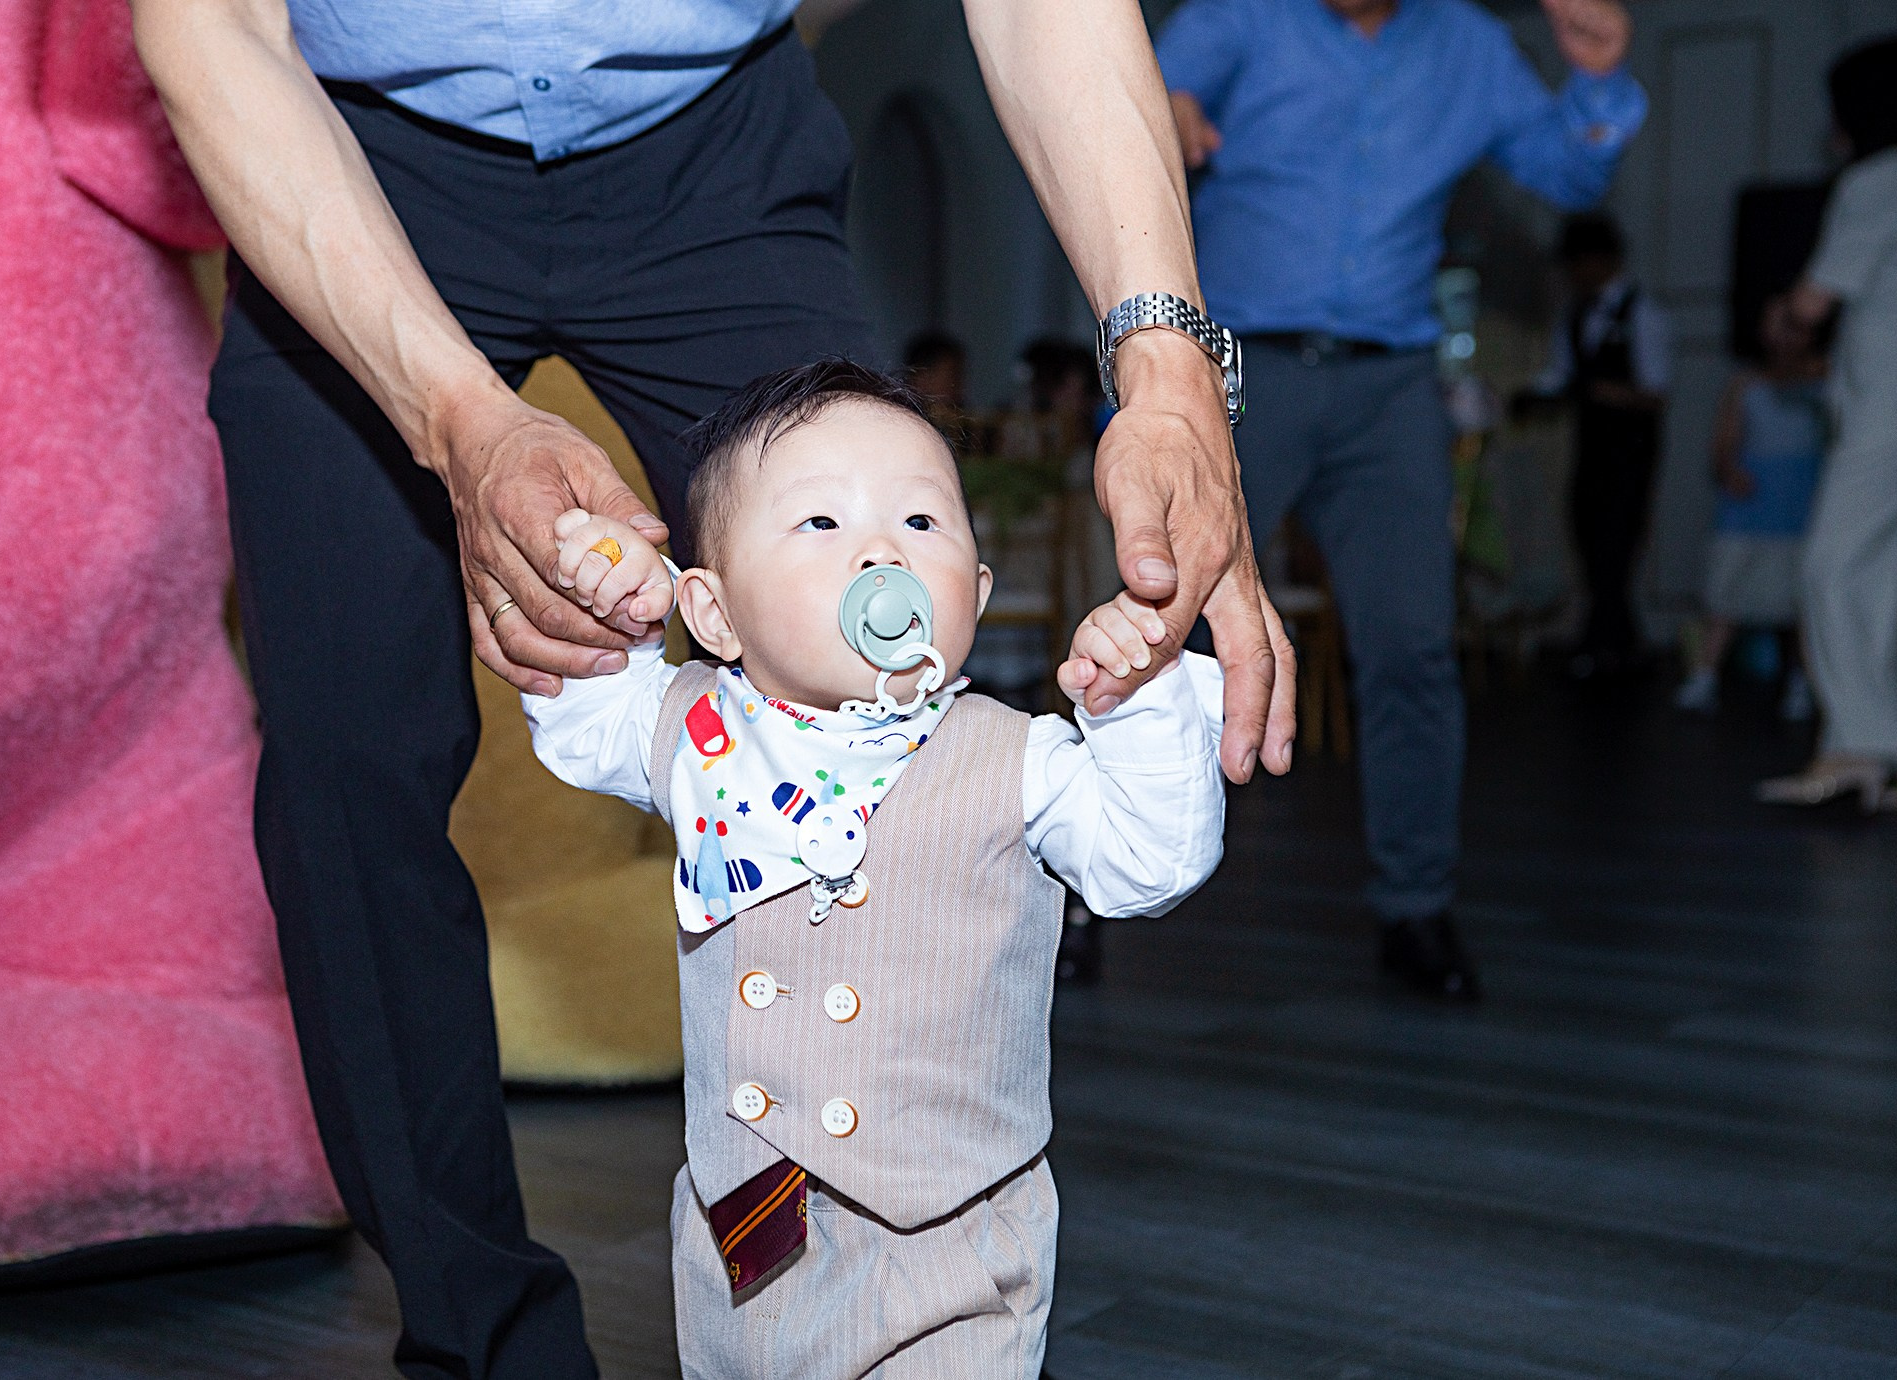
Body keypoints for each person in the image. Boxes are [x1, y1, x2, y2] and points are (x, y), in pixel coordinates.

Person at [129, 1, 1296, 1373]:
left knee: (880, 668)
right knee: (347, 766)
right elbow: (207, 29)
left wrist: (1164, 373)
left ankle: (894, 1307)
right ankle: (482, 1340)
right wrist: (458, 423)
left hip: (712, 155)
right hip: (338, 154)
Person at [522, 360, 1226, 1376]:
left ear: (975, 594)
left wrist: (1142, 706)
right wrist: (616, 607)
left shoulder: (1015, 757)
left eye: (924, 523)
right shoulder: (690, 728)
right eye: (820, 525)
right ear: (713, 615)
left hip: (949, 1239)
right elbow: (579, 715)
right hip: (746, 1232)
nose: (882, 551)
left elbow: (1148, 863)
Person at [1157, 0, 1644, 1000]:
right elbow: (1138, 104)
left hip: (1392, 388)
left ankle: (1417, 909)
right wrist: (1163, 112)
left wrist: (1594, 84)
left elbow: (1565, 170)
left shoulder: (1467, 46)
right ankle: (1081, 892)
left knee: (1414, 649)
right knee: (1169, 631)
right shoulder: (1238, 16)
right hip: (1241, 371)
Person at [1758, 35, 1897, 813]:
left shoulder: (1879, 178)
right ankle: (1885, 753)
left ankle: (1855, 746)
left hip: (1889, 413)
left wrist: (1780, 318)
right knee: (1882, 580)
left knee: (1830, 566)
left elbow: (1812, 304)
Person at [1530, 212, 1672, 682]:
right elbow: (1560, 374)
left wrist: (1596, 390)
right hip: (1591, 450)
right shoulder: (1575, 316)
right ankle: (1618, 644)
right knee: (1590, 541)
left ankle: (1604, 643)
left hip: (1630, 450)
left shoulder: (1643, 314)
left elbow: (1655, 393)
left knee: (1618, 544)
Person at [1674, 295, 1827, 720]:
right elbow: (1722, 447)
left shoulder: (1828, 377)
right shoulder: (1745, 383)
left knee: (1799, 604)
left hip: (1801, 504)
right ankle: (1705, 676)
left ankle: (1802, 683)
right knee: (1726, 593)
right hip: (1751, 505)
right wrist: (1729, 470)